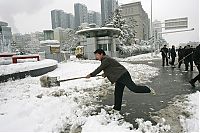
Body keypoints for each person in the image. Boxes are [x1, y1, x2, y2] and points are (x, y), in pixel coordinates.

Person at [86, 49, 156, 111]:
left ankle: (148, 89)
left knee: (134, 88)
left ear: (101, 54)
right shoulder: (105, 59)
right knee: (118, 93)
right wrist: (105, 74)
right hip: (119, 77)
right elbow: (111, 68)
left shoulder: (105, 59)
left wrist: (91, 74)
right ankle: (117, 108)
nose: (96, 57)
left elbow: (100, 68)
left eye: (97, 55)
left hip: (123, 75)